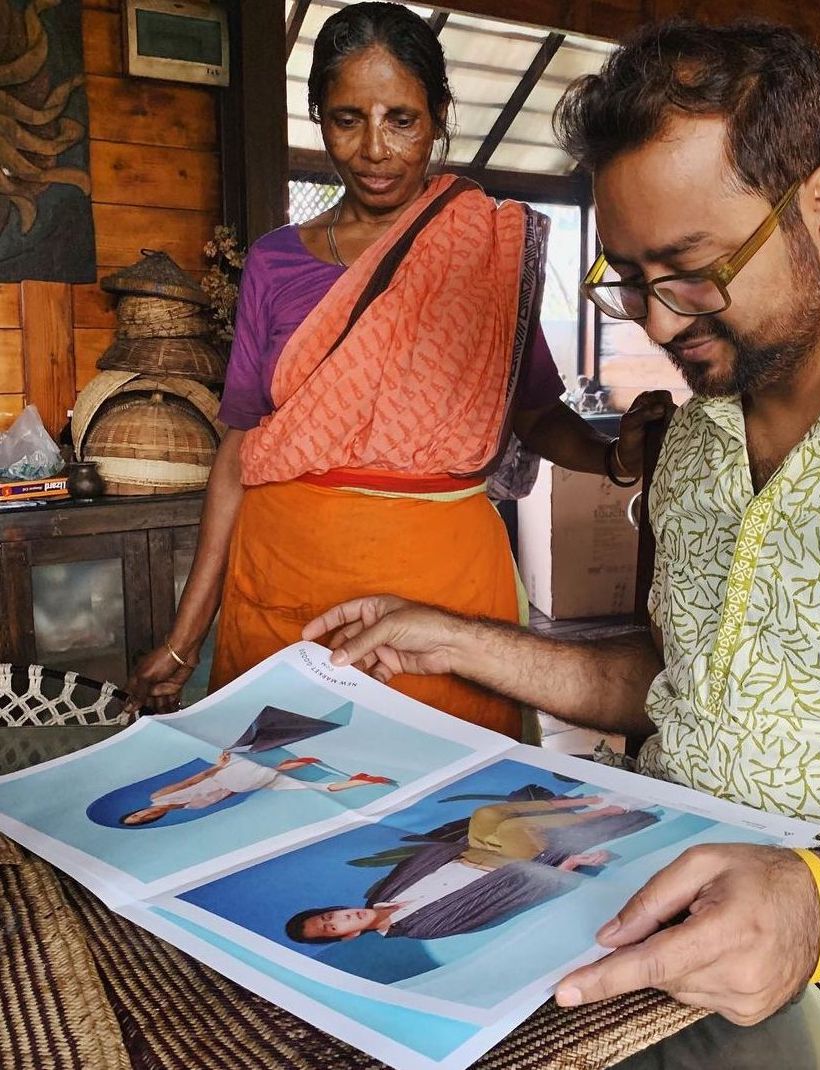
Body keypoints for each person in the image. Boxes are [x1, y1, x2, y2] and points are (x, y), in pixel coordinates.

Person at [298, 18, 820, 1070]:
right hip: (626, 936)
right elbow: (680, 684)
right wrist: (463, 640)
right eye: (627, 276)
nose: (658, 324)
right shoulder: (702, 431)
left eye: (692, 270)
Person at [123, 1, 667, 737]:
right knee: (282, 783)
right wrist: (184, 640)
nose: (375, 149)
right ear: (319, 119)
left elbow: (534, 415)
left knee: (446, 792)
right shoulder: (275, 263)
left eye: (401, 119)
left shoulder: (481, 251)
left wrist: (613, 457)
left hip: (443, 596)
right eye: (348, 119)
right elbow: (239, 450)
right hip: (284, 579)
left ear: (439, 116)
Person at [286, 794, 657, 942]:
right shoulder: (420, 928)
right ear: (348, 936)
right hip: (507, 871)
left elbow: (426, 863)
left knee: (486, 814)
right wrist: (564, 867)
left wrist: (464, 846)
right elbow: (493, 907)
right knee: (511, 830)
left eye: (331, 914)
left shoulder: (380, 893)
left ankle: (583, 801)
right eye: (333, 927)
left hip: (472, 853)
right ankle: (607, 812)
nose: (342, 917)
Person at [119, 751, 394, 826]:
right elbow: (227, 797)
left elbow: (191, 781)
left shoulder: (157, 797)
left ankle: (288, 766)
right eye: (141, 821)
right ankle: (362, 780)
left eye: (137, 814)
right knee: (305, 788)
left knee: (273, 776)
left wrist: (218, 766)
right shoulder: (189, 810)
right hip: (243, 786)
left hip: (229, 776)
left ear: (138, 810)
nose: (144, 815)